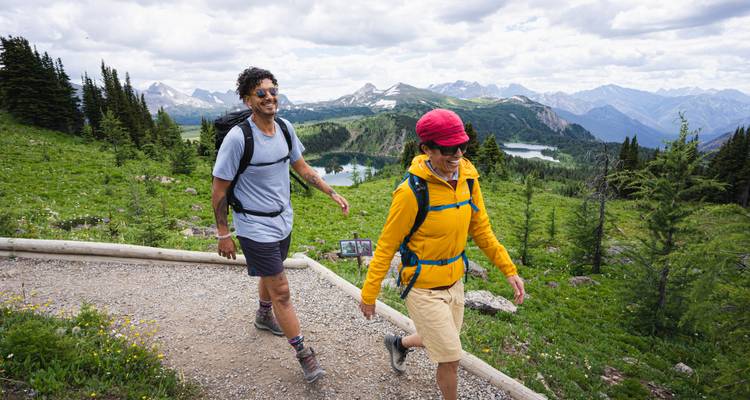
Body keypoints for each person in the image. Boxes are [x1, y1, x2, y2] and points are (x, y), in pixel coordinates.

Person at [359, 108, 525, 399]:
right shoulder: (411, 193)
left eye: (462, 145)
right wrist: (369, 294)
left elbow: (482, 230)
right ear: (427, 149)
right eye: (449, 148)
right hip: (422, 287)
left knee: (438, 337)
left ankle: (398, 344)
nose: (457, 153)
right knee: (450, 356)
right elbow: (386, 245)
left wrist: (509, 269)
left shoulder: (468, 180)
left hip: (454, 282)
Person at [212, 67, 349, 383]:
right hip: (252, 224)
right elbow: (219, 190)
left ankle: (263, 315)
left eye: (273, 91)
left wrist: (331, 191)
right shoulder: (238, 139)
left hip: (282, 220)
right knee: (282, 290)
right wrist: (223, 233)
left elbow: (301, 167)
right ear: (249, 100)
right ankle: (304, 354)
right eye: (261, 93)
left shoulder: (285, 129)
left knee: (270, 274)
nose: (270, 97)